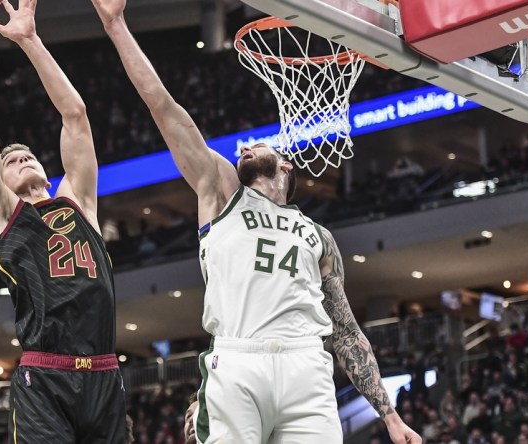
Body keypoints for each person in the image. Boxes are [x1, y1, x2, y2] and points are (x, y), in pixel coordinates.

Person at [91, 0, 421, 442]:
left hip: (307, 365)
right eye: (244, 146)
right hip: (239, 357)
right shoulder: (221, 192)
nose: (246, 146)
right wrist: (116, 27)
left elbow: (345, 329)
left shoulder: (317, 235)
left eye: (259, 144)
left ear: (286, 167)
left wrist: (390, 416)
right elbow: (164, 108)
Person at [0, 0, 125, 442]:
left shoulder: (78, 202)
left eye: (28, 154)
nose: (21, 156)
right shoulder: (2, 215)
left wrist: (31, 41)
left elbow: (75, 115)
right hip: (45, 374)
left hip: (105, 371)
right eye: (11, 160)